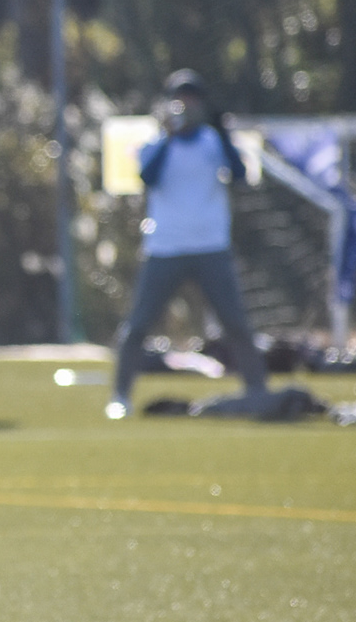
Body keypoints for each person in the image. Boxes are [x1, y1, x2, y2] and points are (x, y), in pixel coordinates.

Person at [106, 69, 269, 419]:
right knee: (138, 325)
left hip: (211, 247)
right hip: (165, 248)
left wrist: (223, 134)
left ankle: (257, 391)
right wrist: (169, 136)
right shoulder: (156, 143)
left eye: (192, 100)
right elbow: (148, 177)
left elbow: (240, 175)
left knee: (236, 324)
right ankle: (120, 395)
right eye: (179, 100)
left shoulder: (213, 142)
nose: (186, 106)